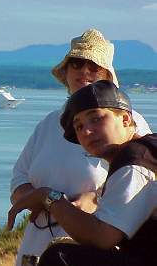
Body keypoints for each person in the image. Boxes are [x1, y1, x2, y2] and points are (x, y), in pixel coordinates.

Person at [8, 30, 150, 266]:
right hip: (36, 247)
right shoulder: (49, 123)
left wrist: (94, 198)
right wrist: (39, 199)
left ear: (107, 76)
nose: (84, 71)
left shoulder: (128, 124)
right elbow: (18, 180)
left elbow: (141, 181)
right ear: (66, 72)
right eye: (76, 63)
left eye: (93, 66)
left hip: (88, 251)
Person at [37, 81, 157, 266]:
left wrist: (48, 197)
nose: (87, 131)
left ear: (126, 119)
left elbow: (102, 237)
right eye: (79, 127)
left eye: (96, 119)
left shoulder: (134, 162)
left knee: (60, 257)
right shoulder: (149, 149)